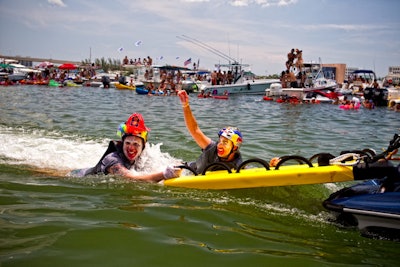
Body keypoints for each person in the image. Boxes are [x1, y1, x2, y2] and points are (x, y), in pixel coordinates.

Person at [69, 113, 181, 182]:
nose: (131, 148)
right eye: (127, 143)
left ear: (143, 147)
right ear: (122, 143)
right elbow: (132, 178)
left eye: (136, 144)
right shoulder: (112, 160)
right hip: (74, 177)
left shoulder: (145, 155)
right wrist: (164, 174)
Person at [177, 90, 243, 174]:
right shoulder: (211, 147)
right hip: (188, 171)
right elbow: (194, 130)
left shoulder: (238, 165)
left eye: (225, 142)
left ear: (235, 148)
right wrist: (185, 105)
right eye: (220, 141)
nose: (219, 145)